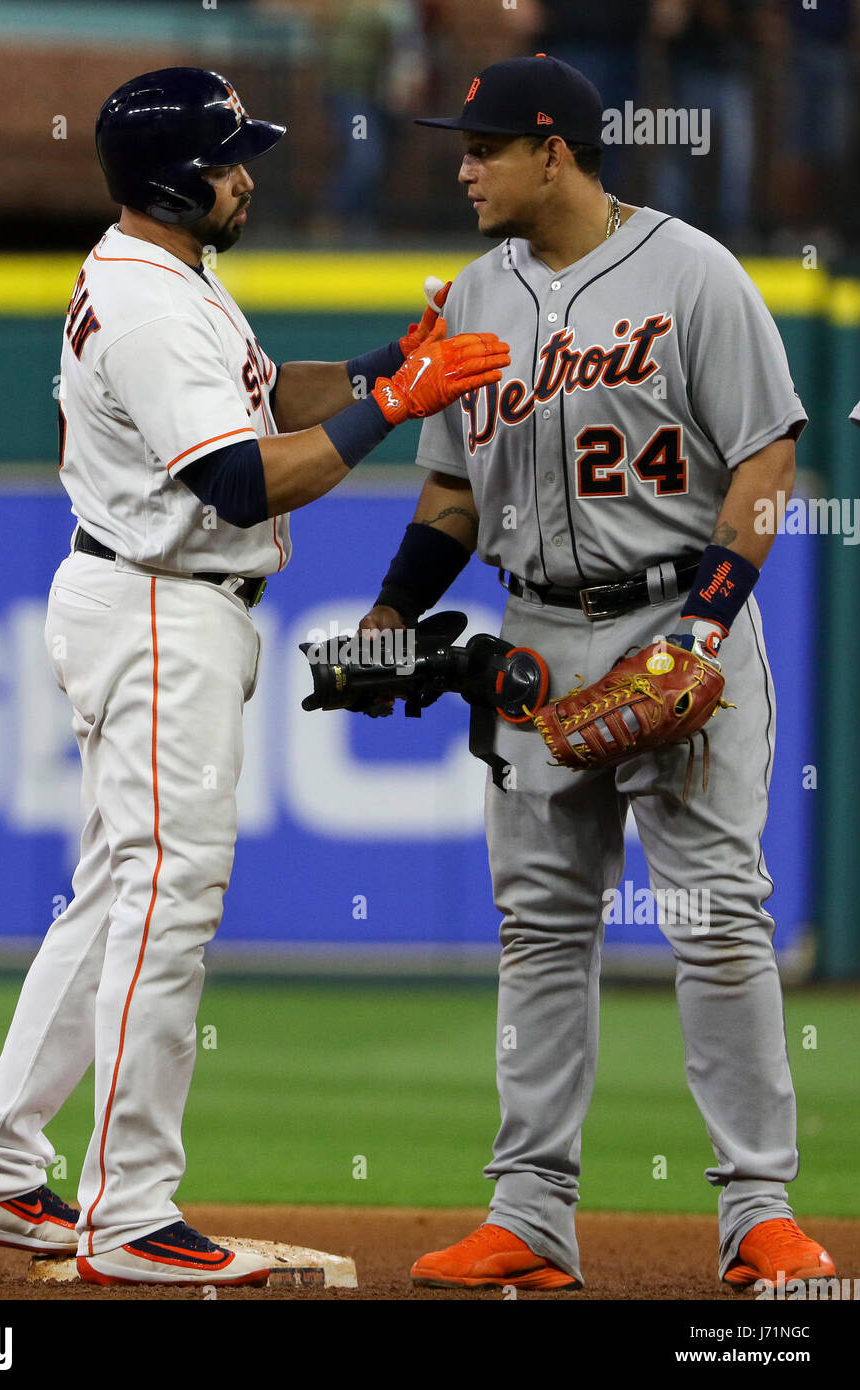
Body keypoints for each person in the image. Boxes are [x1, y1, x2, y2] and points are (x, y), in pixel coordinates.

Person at [0, 66, 508, 1288]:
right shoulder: (146, 301)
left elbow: (265, 400)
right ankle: (131, 1213)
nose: (248, 171)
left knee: (113, 900)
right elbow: (242, 480)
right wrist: (398, 405)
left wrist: (381, 367)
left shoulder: (165, 279)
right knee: (165, 901)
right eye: (231, 154)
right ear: (176, 176)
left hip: (155, 601)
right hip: (157, 604)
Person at [358, 55, 835, 1293]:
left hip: (678, 612)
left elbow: (767, 463)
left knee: (719, 920)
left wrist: (707, 631)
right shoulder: (473, 292)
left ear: (555, 148)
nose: (462, 165)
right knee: (541, 928)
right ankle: (528, 1215)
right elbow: (455, 488)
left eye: (485, 146)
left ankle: (758, 1214)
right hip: (532, 628)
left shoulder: (694, 273)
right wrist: (388, 615)